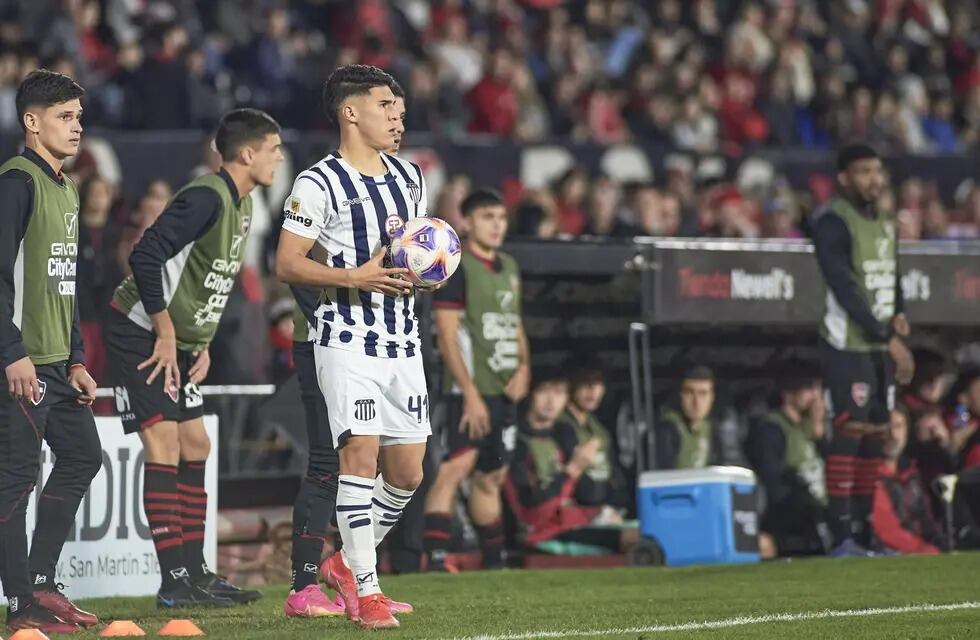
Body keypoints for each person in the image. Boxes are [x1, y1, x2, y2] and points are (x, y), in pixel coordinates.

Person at [107, 109, 283, 608]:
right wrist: (165, 330)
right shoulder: (206, 195)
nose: (279, 157)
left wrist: (198, 340)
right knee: (163, 444)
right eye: (273, 148)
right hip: (139, 327)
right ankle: (174, 583)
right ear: (246, 153)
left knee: (196, 444)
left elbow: (211, 275)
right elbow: (145, 255)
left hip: (179, 340)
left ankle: (198, 573)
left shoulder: (243, 204)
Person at [275, 64, 430, 630]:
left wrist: (425, 273)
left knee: (408, 472)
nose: (398, 115)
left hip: (403, 338)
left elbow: (406, 255)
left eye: (399, 105)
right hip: (343, 338)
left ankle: (343, 564)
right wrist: (355, 278)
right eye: (387, 105)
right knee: (357, 458)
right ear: (351, 112)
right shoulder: (318, 183)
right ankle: (367, 591)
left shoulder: (410, 177)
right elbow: (286, 262)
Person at [0, 69, 102, 635]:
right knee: (16, 478)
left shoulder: (66, 186)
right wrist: (10, 350)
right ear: (31, 122)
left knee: (85, 456)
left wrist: (77, 359)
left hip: (56, 363)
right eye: (65, 117)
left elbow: (67, 283)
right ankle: (20, 609)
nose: (76, 127)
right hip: (19, 361)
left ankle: (40, 581)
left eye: (79, 117)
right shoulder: (16, 182)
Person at [811, 143, 914, 557]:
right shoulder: (833, 221)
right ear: (844, 178)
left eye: (877, 170)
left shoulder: (887, 223)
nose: (874, 179)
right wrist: (887, 337)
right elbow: (845, 287)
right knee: (849, 433)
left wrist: (900, 315)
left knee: (875, 436)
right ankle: (841, 537)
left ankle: (867, 533)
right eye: (864, 171)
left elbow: (893, 276)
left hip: (879, 344)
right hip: (846, 342)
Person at [423, 188, 530, 572]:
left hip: (504, 389)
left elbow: (515, 324)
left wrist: (524, 367)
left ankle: (494, 561)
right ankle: (433, 558)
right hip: (470, 391)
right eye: (487, 217)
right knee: (455, 468)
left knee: (491, 475)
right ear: (466, 222)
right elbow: (447, 335)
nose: (497, 225)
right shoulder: (456, 268)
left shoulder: (510, 267)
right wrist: (469, 393)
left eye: (501, 217)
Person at [504, 371, 638, 554]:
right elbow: (532, 508)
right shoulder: (517, 442)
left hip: (574, 521)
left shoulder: (563, 434)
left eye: (559, 393)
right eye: (543, 392)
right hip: (543, 532)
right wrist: (573, 470)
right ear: (529, 394)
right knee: (636, 540)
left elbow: (583, 493)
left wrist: (599, 511)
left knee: (651, 529)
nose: (551, 401)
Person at [745, 363, 831, 556]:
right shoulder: (771, 429)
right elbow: (774, 484)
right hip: (792, 518)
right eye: (809, 390)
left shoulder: (811, 427)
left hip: (822, 513)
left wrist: (820, 435)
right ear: (788, 393)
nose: (816, 398)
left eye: (818, 390)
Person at [553, 361, 629, 513]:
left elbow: (613, 474)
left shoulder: (599, 429)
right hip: (577, 511)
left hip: (605, 509)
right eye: (585, 383)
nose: (593, 390)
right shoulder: (560, 425)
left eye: (598, 383)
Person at [871, 410, 944, 555]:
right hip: (891, 552)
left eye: (898, 427)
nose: (893, 435)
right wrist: (924, 549)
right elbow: (887, 531)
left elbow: (927, 520)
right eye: (887, 428)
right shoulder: (870, 475)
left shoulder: (913, 471)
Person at [653, 365, 721, 469]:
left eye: (703, 394)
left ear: (712, 397)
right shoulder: (667, 429)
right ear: (680, 395)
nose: (697, 402)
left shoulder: (710, 427)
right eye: (689, 393)